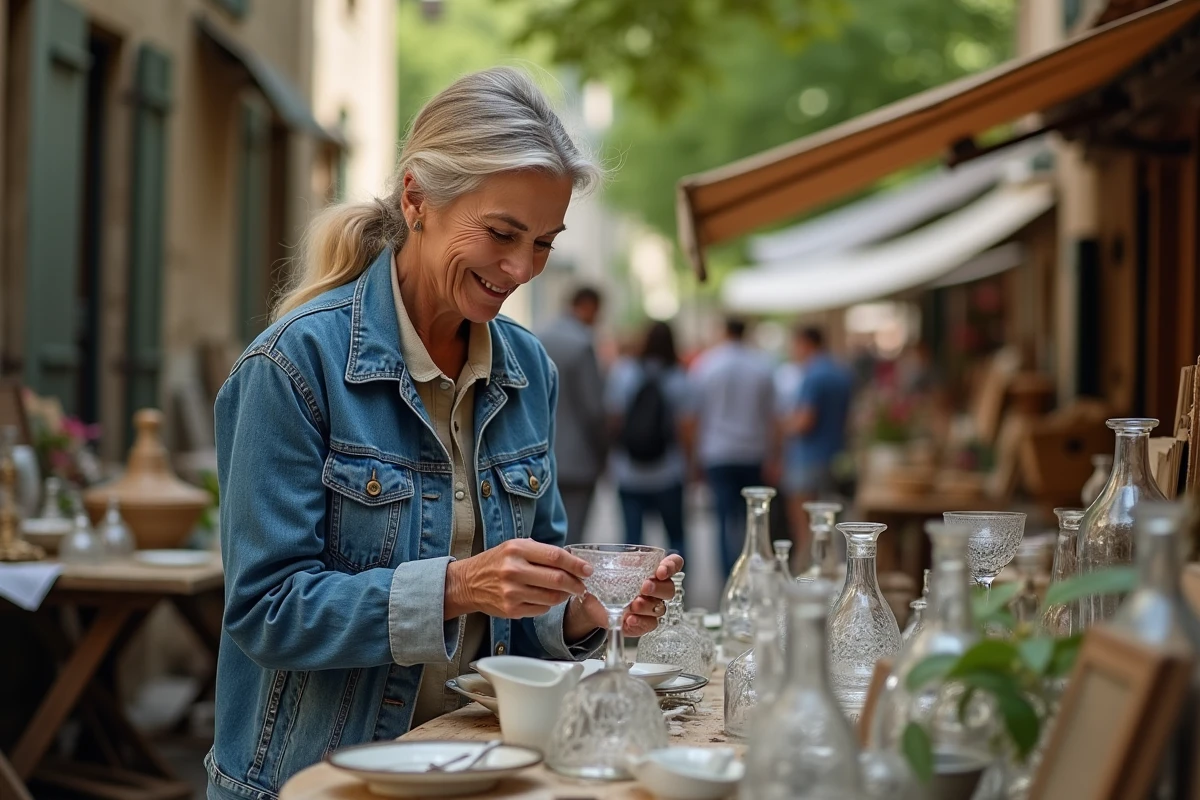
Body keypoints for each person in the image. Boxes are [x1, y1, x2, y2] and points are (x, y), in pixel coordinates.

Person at [207, 68, 682, 800]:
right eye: (501, 233)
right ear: (415, 198)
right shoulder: (291, 366)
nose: (521, 268)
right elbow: (266, 612)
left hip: (480, 772)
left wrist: (584, 612)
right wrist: (458, 587)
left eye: (544, 244)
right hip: (319, 784)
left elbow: (528, 616)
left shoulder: (529, 371)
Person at [689, 317, 776, 575]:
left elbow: (694, 415)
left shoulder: (707, 364)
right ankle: (750, 572)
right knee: (752, 520)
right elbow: (772, 416)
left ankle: (728, 576)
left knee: (723, 519)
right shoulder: (762, 366)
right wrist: (775, 454)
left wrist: (694, 457)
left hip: (717, 452)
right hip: (752, 451)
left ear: (724, 330)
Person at [606, 320, 693, 563]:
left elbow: (614, 421)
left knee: (631, 542)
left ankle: (633, 594)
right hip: (668, 472)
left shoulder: (624, 372)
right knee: (676, 538)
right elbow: (687, 430)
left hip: (628, 471)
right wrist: (691, 467)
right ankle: (677, 590)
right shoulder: (678, 377)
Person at [537, 287, 607, 544]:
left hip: (536, 455)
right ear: (587, 306)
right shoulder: (581, 344)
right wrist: (604, 454)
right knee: (572, 538)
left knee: (541, 537)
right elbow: (594, 410)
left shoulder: (536, 336)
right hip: (578, 459)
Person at [781, 326, 854, 567]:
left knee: (807, 530)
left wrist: (783, 427)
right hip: (834, 455)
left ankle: (809, 571)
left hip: (808, 459)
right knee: (830, 524)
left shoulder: (813, 374)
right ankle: (828, 569)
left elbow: (805, 420)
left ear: (805, 343)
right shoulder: (841, 372)